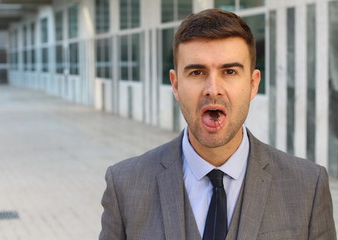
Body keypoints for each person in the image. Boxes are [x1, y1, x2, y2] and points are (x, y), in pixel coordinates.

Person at [99, 8, 336, 240]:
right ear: (175, 84)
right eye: (197, 72)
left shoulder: (308, 186)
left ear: (253, 84)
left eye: (230, 71)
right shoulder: (124, 185)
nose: (213, 89)